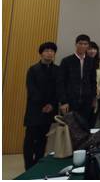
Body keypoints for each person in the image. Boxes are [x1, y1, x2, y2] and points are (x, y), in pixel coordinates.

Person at [23, 42, 59, 170]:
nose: (49, 53)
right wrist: (43, 104)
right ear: (41, 53)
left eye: (52, 51)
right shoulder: (33, 69)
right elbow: (32, 90)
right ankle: (28, 167)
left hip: (49, 110)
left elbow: (58, 90)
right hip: (35, 109)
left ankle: (37, 165)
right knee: (30, 140)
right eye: (46, 50)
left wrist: (51, 105)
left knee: (43, 140)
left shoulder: (57, 70)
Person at [57, 34, 96, 125]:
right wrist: (63, 101)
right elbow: (60, 82)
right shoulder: (66, 61)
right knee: (71, 128)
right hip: (70, 102)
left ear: (88, 46)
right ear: (76, 44)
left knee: (84, 127)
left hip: (86, 102)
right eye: (80, 43)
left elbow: (93, 81)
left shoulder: (91, 61)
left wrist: (93, 98)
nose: (83, 46)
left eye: (85, 44)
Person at [87, 41, 100, 127]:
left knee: (92, 122)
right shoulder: (82, 62)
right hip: (83, 97)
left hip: (97, 97)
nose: (92, 51)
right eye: (90, 49)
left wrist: (97, 93)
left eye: (94, 49)